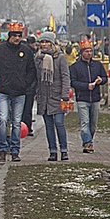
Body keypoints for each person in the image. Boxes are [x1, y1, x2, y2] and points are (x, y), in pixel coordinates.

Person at [0, 22, 37, 163]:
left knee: (16, 122)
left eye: (19, 36)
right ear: (9, 36)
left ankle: (15, 150)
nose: (17, 38)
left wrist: (25, 83)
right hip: (3, 91)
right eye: (14, 35)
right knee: (2, 120)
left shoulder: (26, 51)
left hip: (20, 92)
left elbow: (31, 70)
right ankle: (2, 148)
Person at [35, 32, 71, 161]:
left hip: (57, 95)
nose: (44, 44)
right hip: (44, 96)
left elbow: (65, 76)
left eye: (47, 42)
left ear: (52, 43)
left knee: (59, 123)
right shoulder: (38, 58)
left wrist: (65, 94)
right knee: (49, 126)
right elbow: (36, 77)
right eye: (42, 42)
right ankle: (53, 151)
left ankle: (64, 150)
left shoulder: (60, 57)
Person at [69, 38, 107, 154]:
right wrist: (86, 86)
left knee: (93, 124)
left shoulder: (97, 65)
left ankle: (89, 140)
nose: (89, 53)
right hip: (82, 98)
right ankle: (87, 143)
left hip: (95, 98)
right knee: (84, 122)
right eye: (86, 51)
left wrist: (101, 80)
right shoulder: (75, 67)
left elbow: (105, 77)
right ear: (81, 53)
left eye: (90, 51)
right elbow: (73, 82)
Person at [22, 36, 39, 136]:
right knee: (28, 109)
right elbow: (33, 71)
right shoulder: (32, 53)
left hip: (22, 86)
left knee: (19, 110)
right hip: (28, 87)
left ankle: (21, 128)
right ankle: (27, 128)